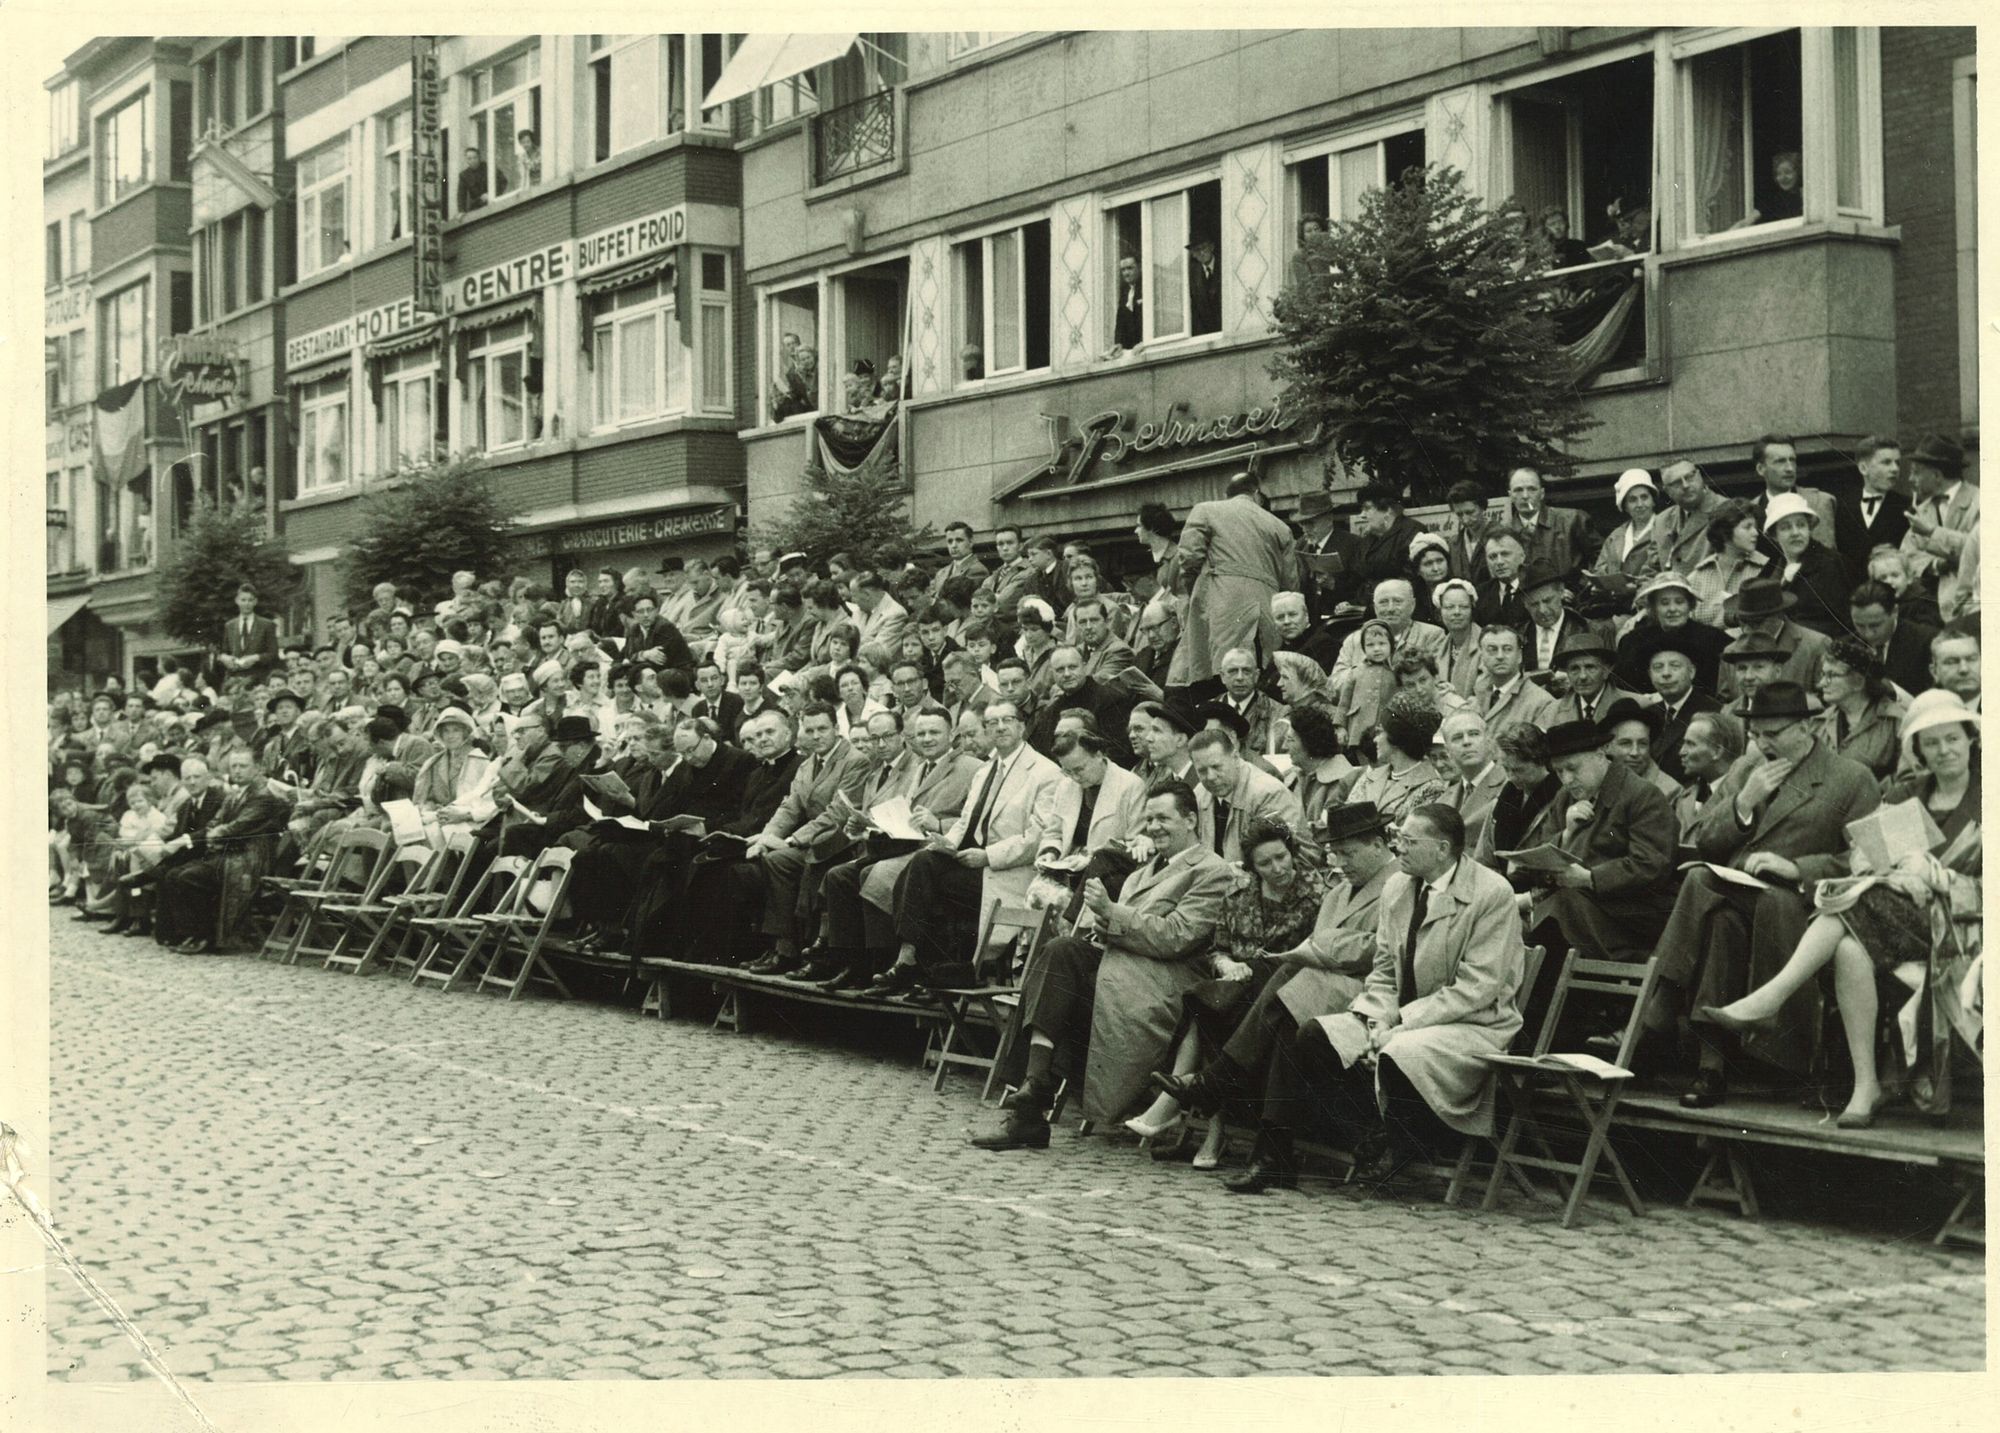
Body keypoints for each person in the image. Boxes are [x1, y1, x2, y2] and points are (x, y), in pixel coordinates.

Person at [1702, 691, 1980, 1124]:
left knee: (1847, 907)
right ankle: (1864, 1084)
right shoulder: (1909, 791)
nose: (1943, 751)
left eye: (1952, 740)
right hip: (1904, 917)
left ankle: (1772, 996)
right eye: (1932, 742)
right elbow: (1865, 856)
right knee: (1850, 948)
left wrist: (1935, 876)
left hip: (1969, 928)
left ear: (1971, 740)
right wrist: (1903, 869)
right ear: (1918, 750)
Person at [1648, 681, 1881, 1108]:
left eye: (1774, 733)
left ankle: (1660, 1008)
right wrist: (1744, 804)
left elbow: (1867, 859)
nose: (1763, 743)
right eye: (1757, 734)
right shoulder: (1749, 769)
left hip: (1807, 901)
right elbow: (1707, 841)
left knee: (1715, 891)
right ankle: (1711, 1067)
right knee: (1713, 905)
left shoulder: (1851, 777)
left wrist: (1798, 869)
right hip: (1741, 891)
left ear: (1808, 728)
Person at [972, 783, 1236, 1148]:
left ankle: (1030, 1109)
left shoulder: (1212, 870)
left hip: (1160, 982)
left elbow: (1179, 936)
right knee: (1061, 951)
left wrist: (1111, 914)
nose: (1154, 827)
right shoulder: (1143, 872)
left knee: (1059, 982)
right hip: (1121, 969)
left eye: (1163, 818)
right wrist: (1102, 920)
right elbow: (1117, 930)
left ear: (1191, 819)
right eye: (1149, 819)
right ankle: (1033, 1093)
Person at [1278, 803, 1527, 1186]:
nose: (1399, 849)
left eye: (1409, 841)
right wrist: (1376, 1018)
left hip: (1472, 1024)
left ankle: (1400, 1143)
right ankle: (1372, 1138)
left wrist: (1402, 1025)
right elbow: (1383, 969)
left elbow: (1476, 988)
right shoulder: (1398, 887)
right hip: (1398, 1017)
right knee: (1317, 1037)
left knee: (1398, 1051)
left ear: (1443, 849)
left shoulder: (1492, 894)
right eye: (1398, 839)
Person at [1128, 818, 1331, 1157]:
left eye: (1282, 857)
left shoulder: (1317, 894)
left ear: (1292, 852)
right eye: (1265, 863)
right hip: (1235, 991)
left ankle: (1186, 1107)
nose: (1277, 868)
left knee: (1207, 1001)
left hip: (1283, 994)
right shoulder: (1239, 894)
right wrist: (1227, 964)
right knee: (1213, 1002)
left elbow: (1315, 954)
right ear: (1252, 867)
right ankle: (1207, 1120)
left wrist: (1246, 969)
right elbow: (1217, 949)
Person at [864, 700, 1065, 996]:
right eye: (992, 723)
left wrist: (987, 856)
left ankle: (920, 969)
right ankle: (910, 960)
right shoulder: (986, 771)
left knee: (928, 881)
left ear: (1022, 726)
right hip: (973, 863)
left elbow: (1035, 837)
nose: (999, 728)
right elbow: (965, 823)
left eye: (1006, 720)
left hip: (1007, 872)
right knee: (924, 861)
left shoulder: (1045, 772)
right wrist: (946, 843)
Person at [810, 706, 981, 991]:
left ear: (952, 734)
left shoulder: (972, 768)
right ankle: (851, 963)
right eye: (922, 733)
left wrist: (938, 822)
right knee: (839, 877)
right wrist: (867, 827)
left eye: (934, 732)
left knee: (877, 874)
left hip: (937, 853)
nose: (926, 739)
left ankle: (887, 967)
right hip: (903, 844)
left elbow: (974, 822)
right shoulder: (921, 768)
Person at [1535, 717, 1681, 963]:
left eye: (1573, 768)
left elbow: (1650, 864)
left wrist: (1590, 878)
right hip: (1586, 908)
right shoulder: (1565, 797)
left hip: (1634, 915)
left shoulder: (1643, 796)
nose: (1567, 779)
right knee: (1545, 912)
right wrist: (1567, 834)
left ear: (1601, 755)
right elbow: (1542, 853)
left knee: (1558, 909)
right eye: (1559, 771)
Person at [153, 748, 294, 953]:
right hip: (230, 852)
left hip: (251, 857)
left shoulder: (263, 795)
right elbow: (215, 823)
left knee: (191, 876)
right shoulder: (235, 793)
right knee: (175, 874)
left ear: (256, 768)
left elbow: (236, 826)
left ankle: (206, 936)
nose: (237, 770)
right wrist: (216, 833)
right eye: (234, 766)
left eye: (243, 766)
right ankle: (190, 933)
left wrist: (216, 834)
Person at [1167, 472, 1298, 690]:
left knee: (1220, 676)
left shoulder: (1206, 510)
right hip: (1267, 609)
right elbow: (1291, 586)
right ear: (1256, 494)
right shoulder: (1281, 527)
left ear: (1227, 495)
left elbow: (1189, 557)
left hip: (1223, 605)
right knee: (1260, 676)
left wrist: (1197, 591)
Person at [1189, 727, 1308, 863]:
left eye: (1217, 767)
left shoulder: (1268, 793)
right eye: (1202, 771)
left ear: (1235, 757)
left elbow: (1289, 862)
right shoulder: (1200, 793)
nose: (1210, 776)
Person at [1717, 576, 1832, 704]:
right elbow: (1725, 704)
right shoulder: (1730, 651)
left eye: (1756, 622)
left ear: (1778, 616)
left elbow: (1828, 703)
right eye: (1742, 621)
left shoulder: (1815, 645)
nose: (1748, 629)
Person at [1899, 434, 1979, 612]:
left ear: (1936, 475)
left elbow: (1982, 548)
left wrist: (1933, 533)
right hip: (1930, 608)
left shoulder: (1981, 502)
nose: (1911, 479)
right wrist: (1936, 566)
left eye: (1916, 472)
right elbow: (1907, 556)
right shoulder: (1922, 510)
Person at [1344, 690, 1451, 823]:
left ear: (1397, 739)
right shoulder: (1370, 777)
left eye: (1381, 732)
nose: (1375, 739)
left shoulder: (1432, 788)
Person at [1811, 639, 1906, 782]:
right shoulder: (1819, 722)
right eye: (1823, 675)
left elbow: (1908, 775)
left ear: (1859, 682)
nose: (1821, 683)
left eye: (1832, 675)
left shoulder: (1895, 721)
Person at [1631, 633, 1721, 784]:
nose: (1666, 674)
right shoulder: (1647, 714)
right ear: (1650, 675)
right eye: (1658, 667)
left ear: (1691, 672)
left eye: (1675, 666)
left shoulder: (1713, 712)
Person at [1765, 493, 1851, 638]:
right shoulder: (1777, 571)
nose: (1795, 533)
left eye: (1801, 525)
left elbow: (1846, 623)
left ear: (1809, 528)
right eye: (1786, 527)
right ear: (1774, 535)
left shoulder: (1830, 563)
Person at [1845, 579, 1937, 701]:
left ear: (1895, 611)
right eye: (1860, 625)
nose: (1868, 634)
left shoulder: (1927, 641)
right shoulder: (1847, 646)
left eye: (1875, 625)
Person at [1833, 436, 1911, 580]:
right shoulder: (1841, 505)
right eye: (1886, 462)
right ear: (1863, 468)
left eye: (1897, 463)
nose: (1895, 469)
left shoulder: (1907, 507)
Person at [1586, 469, 1664, 604]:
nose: (1640, 504)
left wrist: (1637, 587)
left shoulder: (1665, 529)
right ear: (1625, 506)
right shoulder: (1615, 536)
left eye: (1644, 497)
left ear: (1653, 501)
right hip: (1614, 606)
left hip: (1651, 604)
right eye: (1633, 500)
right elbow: (1600, 569)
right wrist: (1597, 584)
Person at [1436, 709, 1505, 857]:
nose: (1467, 742)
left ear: (1489, 741)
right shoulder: (1443, 800)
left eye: (1474, 734)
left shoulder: (1509, 786)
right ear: (1448, 751)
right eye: (1457, 737)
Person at [1505, 468, 1594, 579]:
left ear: (1542, 494)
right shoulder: (1505, 532)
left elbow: (1601, 558)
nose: (1525, 496)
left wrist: (1580, 588)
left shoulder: (1572, 520)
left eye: (1532, 489)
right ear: (1510, 496)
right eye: (1518, 490)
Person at [1469, 625, 1557, 736]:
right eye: (1492, 650)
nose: (1500, 656)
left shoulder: (1541, 703)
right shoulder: (1477, 697)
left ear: (1519, 656)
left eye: (1507, 649)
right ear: (1482, 656)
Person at [1548, 631, 1641, 727]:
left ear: (1606, 671)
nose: (1582, 676)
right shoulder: (1552, 712)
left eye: (1590, 667)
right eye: (1574, 669)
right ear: (1567, 672)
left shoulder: (1636, 705)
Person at [1351, 484, 1431, 594]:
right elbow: (1357, 575)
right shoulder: (1369, 537)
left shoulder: (1413, 531)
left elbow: (1411, 580)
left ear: (1388, 511)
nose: (1362, 515)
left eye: (1367, 508)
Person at [1654, 460, 1730, 575]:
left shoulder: (1727, 510)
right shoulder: (1661, 520)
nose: (1685, 485)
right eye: (1676, 482)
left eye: (1689, 477)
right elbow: (1652, 569)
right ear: (1667, 491)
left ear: (1699, 475)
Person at [216, 584, 281, 685]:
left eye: (250, 600)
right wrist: (225, 658)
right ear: (237, 601)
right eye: (243, 600)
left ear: (255, 602)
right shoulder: (229, 626)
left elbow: (273, 653)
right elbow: (224, 651)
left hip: (258, 681)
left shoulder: (267, 625)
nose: (247, 604)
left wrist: (256, 658)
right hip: (235, 681)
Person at [1431, 580, 1484, 699]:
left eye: (1464, 607)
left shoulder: (1485, 644)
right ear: (1440, 612)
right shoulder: (1438, 647)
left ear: (1472, 610)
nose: (1456, 612)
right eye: (1449, 607)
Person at [1109, 253, 1144, 354]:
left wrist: (1145, 341)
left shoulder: (1146, 286)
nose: (1126, 273)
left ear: (1139, 267)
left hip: (1144, 347)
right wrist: (1118, 343)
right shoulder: (1125, 291)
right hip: (1132, 350)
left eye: (1129, 268)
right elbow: (1120, 320)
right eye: (1123, 270)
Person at [1187, 236, 1222, 334]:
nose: (1202, 253)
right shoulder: (1193, 275)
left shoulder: (1224, 265)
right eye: (1197, 250)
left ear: (1212, 247)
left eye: (1204, 248)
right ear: (1193, 255)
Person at [456, 145, 488, 212]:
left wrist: (490, 194)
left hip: (491, 203)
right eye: (469, 158)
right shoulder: (464, 175)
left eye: (475, 157)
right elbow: (461, 195)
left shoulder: (487, 167)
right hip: (476, 207)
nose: (473, 160)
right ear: (466, 160)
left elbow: (503, 181)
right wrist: (461, 211)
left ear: (479, 158)